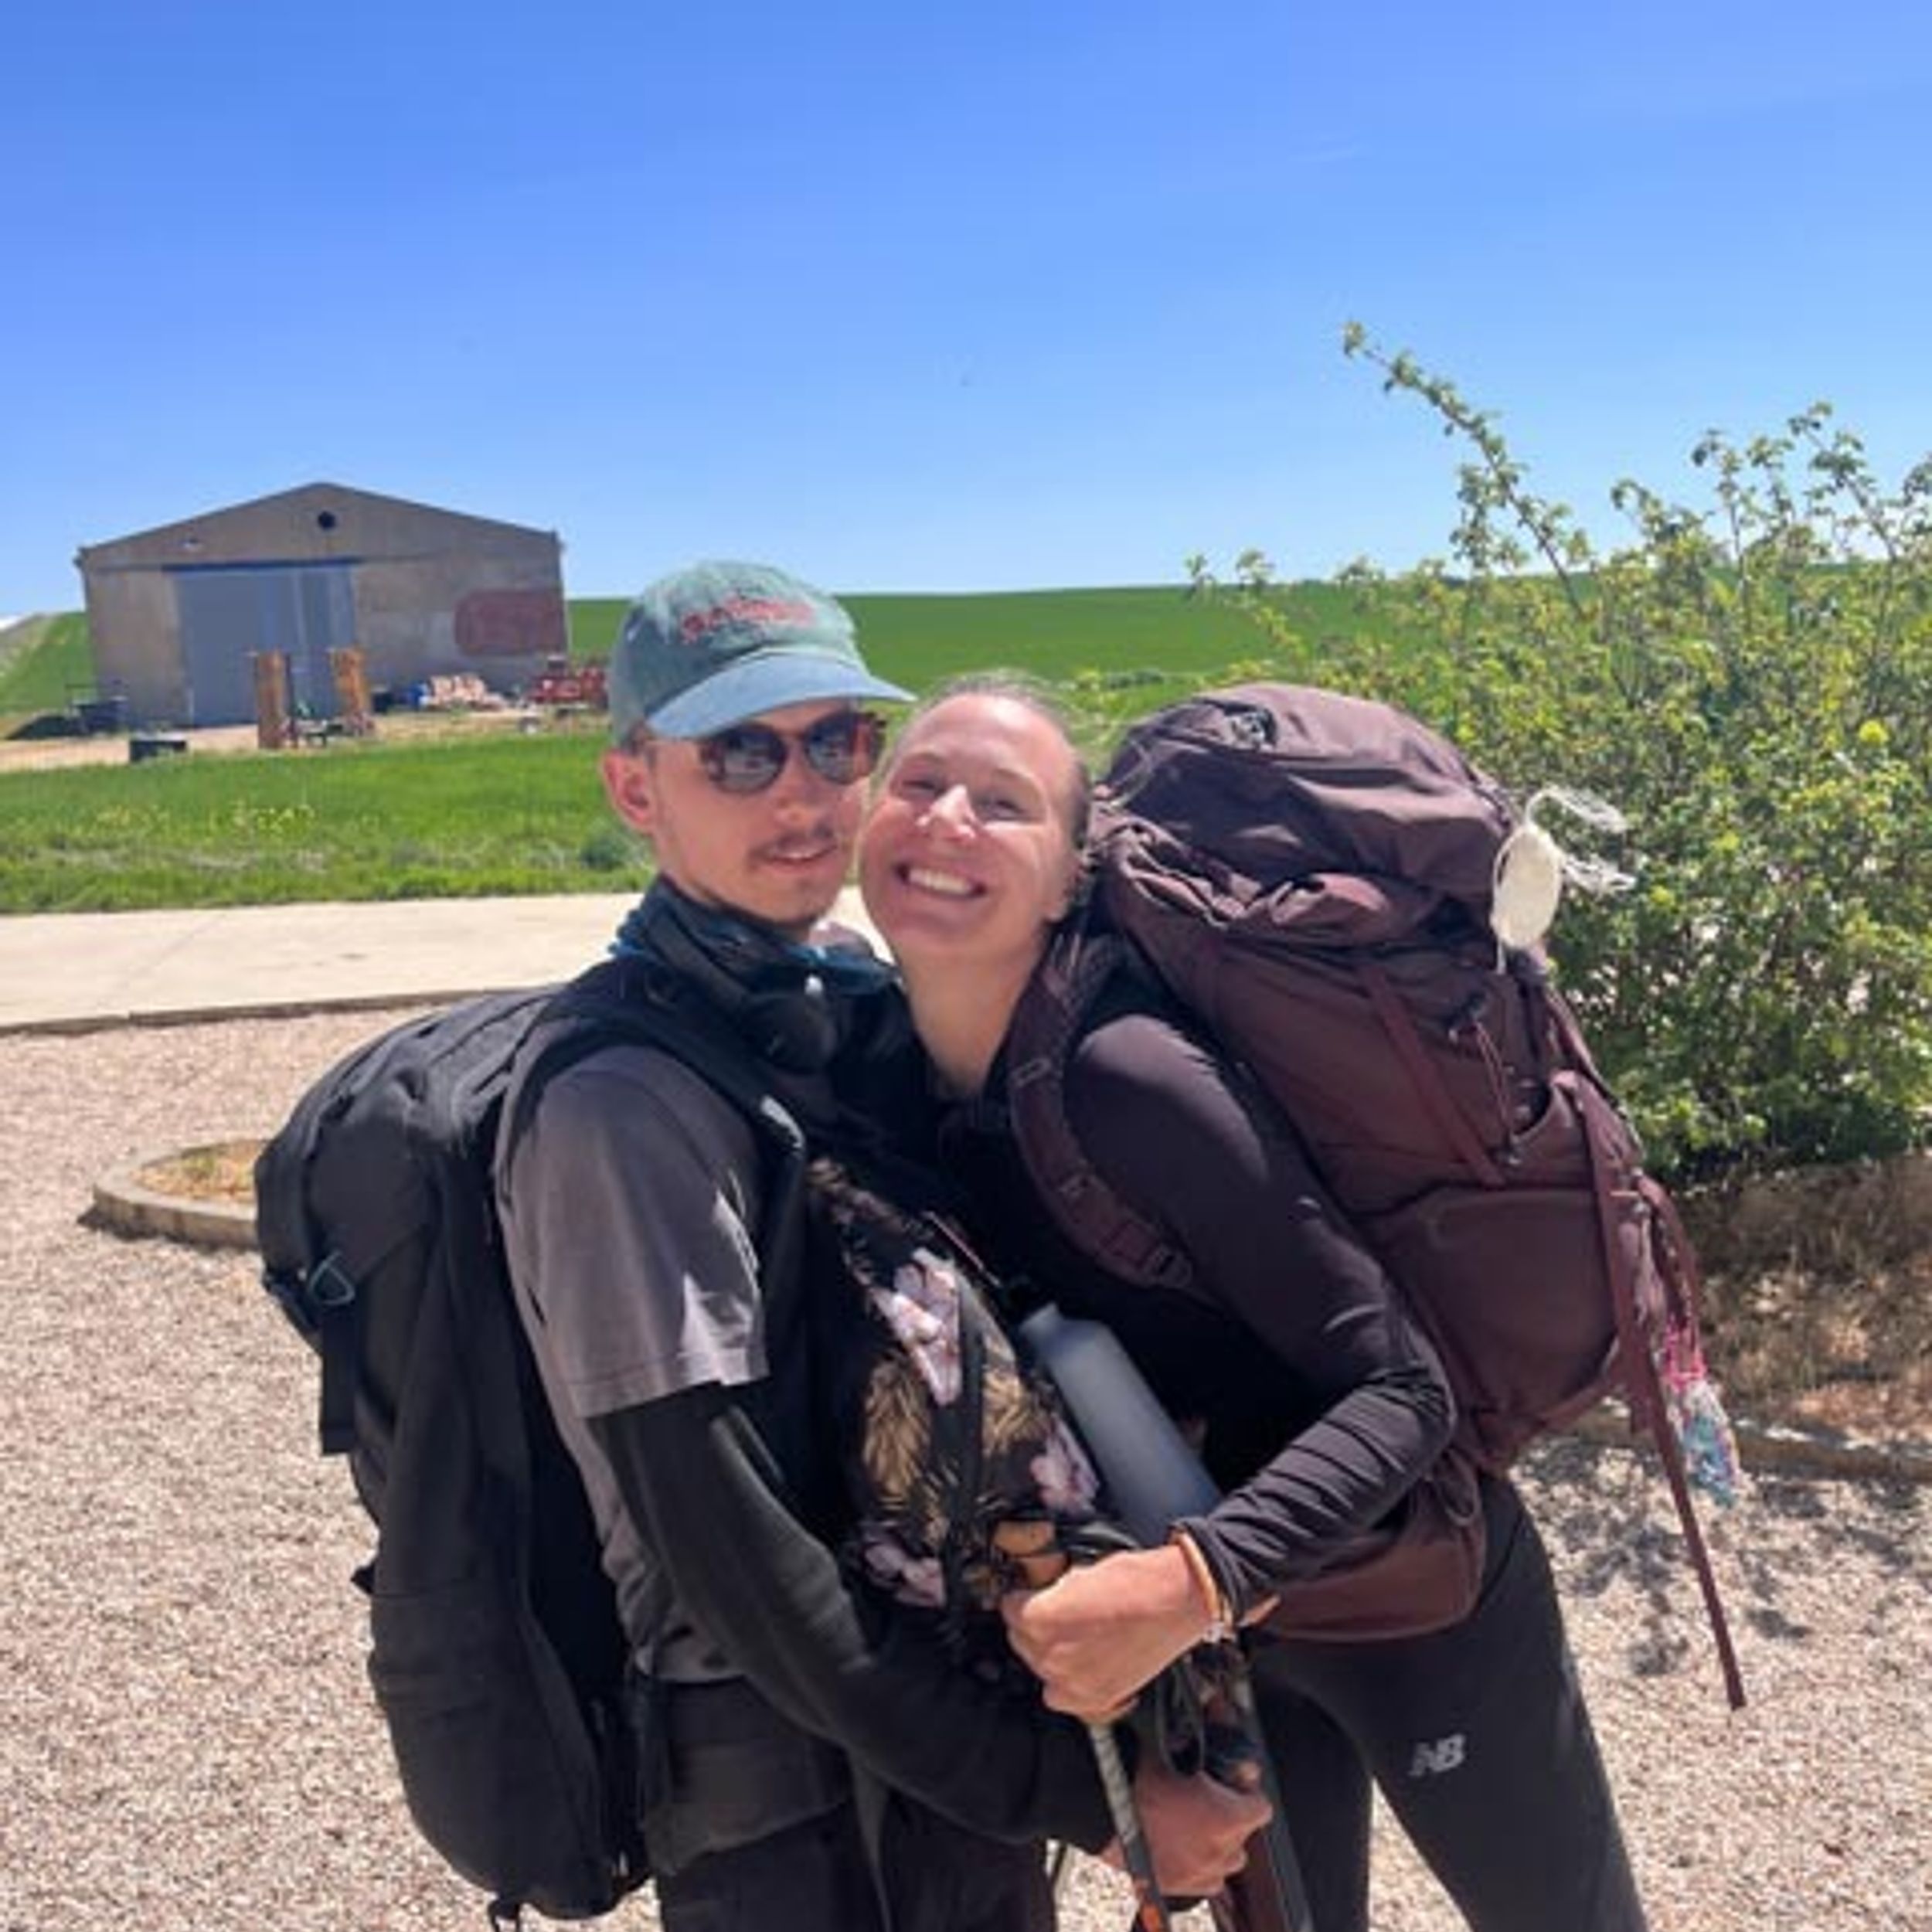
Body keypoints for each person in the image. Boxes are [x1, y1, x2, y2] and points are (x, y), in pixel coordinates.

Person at [492, 566, 1263, 1932]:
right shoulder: (620, 1111)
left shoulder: (833, 1000)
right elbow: (736, 1568)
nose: (802, 794)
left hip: (933, 1753)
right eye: (740, 752)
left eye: (838, 741)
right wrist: (1089, 1802)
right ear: (633, 789)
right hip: (789, 1808)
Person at [857, 675, 1653, 1932]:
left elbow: (1404, 1391)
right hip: (1221, 1639)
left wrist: (1188, 1584)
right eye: (919, 782)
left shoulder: (1123, 1077)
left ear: (1069, 878)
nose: (947, 817)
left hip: (1408, 1598)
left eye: (1003, 804)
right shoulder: (901, 1080)